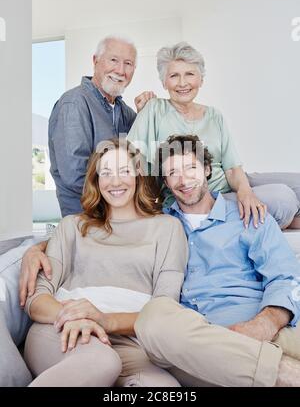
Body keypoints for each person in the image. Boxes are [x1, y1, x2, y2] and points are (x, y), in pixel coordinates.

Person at [134, 134, 300, 387]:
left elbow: (286, 277)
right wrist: (49, 244)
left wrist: (264, 324)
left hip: (264, 327)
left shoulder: (250, 214)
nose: (184, 180)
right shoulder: (161, 227)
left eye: (191, 168)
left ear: (207, 169)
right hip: (201, 344)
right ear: (165, 182)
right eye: (173, 173)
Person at [23, 137, 188, 387]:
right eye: (106, 173)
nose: (116, 181)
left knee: (166, 390)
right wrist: (76, 317)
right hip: (64, 330)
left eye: (124, 171)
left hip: (132, 341)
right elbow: (36, 300)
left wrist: (104, 319)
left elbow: (165, 308)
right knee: (102, 363)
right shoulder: (72, 226)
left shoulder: (167, 228)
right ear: (96, 180)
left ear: (138, 175)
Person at [19, 35, 155, 306]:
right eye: (113, 60)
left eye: (128, 63)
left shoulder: (124, 112)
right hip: (87, 225)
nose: (120, 69)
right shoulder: (74, 104)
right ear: (95, 62)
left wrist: (145, 114)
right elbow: (74, 175)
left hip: (118, 223)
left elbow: (138, 160)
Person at [127, 42, 300, 230]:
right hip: (205, 194)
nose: (182, 83)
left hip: (231, 179)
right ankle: (285, 221)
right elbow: (132, 161)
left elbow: (232, 168)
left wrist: (245, 192)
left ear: (201, 79)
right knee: (282, 198)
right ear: (164, 82)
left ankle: (282, 219)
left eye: (190, 74)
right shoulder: (153, 110)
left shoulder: (214, 115)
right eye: (174, 75)